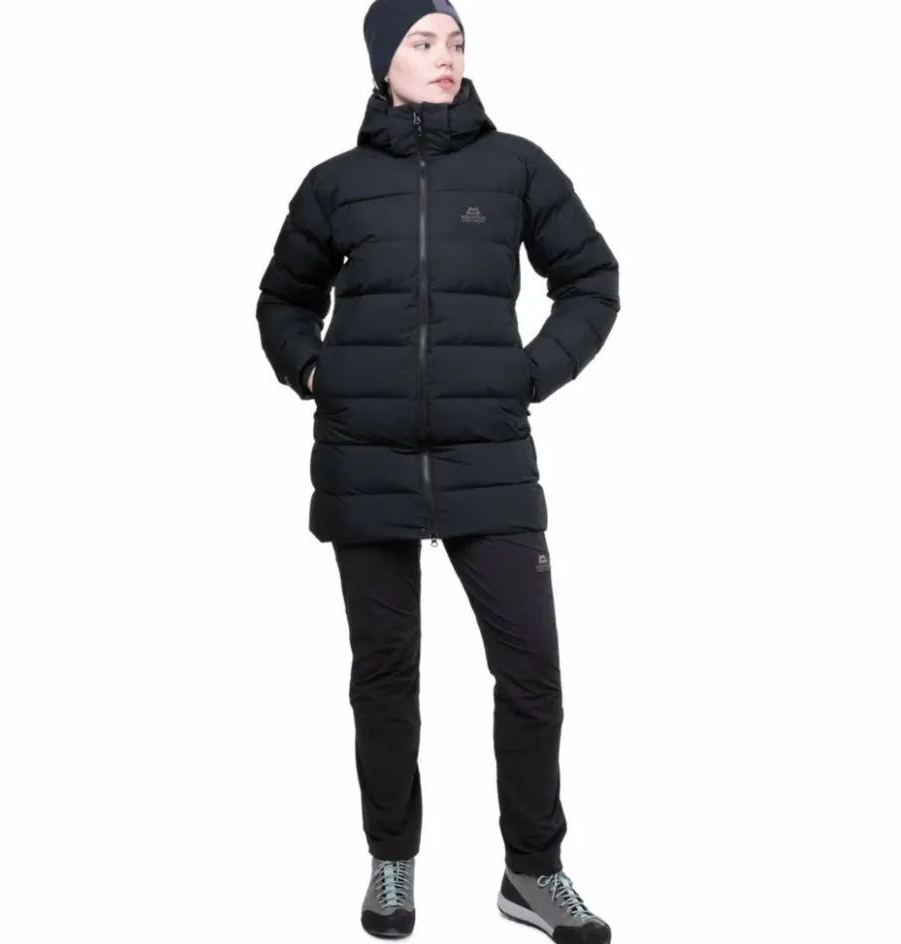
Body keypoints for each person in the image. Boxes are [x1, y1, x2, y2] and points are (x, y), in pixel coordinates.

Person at [255, 0, 619, 939]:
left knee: (531, 672)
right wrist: (315, 371)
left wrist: (530, 374)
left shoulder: (517, 167)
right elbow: (282, 299)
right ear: (384, 62)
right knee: (384, 674)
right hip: (364, 460)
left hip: (487, 458)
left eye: (455, 41)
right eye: (422, 42)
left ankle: (533, 872)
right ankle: (392, 863)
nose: (444, 56)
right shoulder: (335, 184)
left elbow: (592, 279)